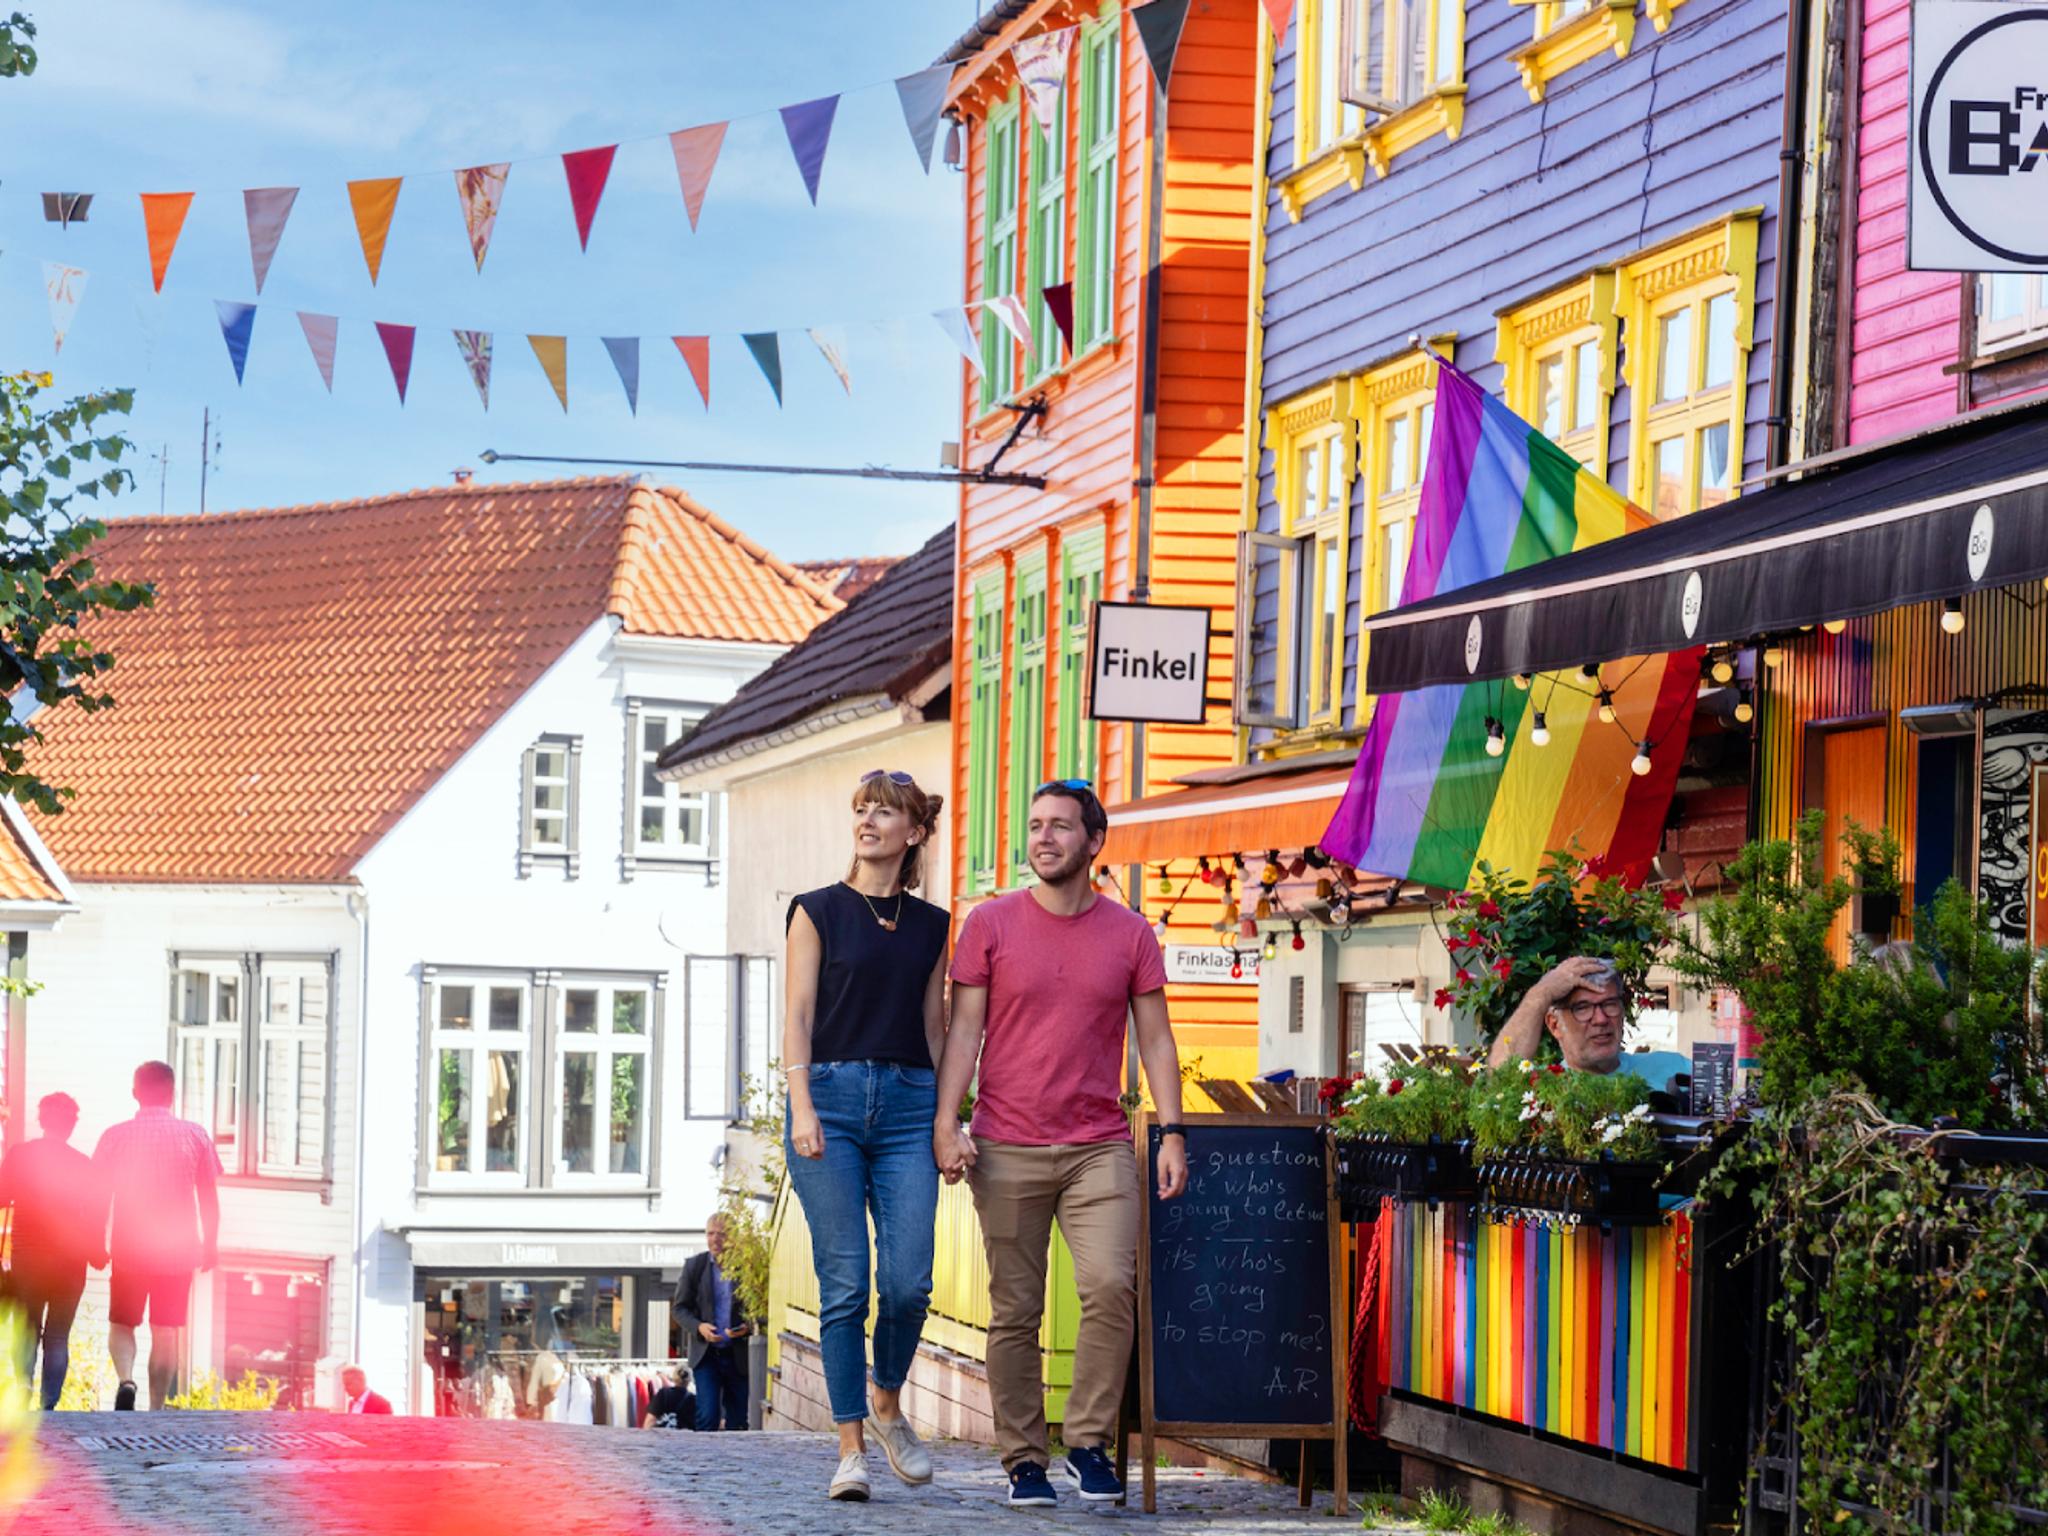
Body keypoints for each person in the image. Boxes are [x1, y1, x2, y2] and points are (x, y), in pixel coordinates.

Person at [934, 779, 1189, 1509]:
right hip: (1005, 1145)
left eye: (1060, 827)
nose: (1043, 838)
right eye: (1035, 825)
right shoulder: (990, 924)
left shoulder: (1131, 934)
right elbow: (964, 1034)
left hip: (1098, 1146)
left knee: (1112, 1286)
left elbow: (1157, 1039)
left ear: (1094, 842)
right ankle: (1022, 1459)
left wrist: (1172, 1131)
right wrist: (947, 1122)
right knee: (1016, 1309)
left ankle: (1087, 1441)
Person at [783, 767, 951, 1502]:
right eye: (862, 809)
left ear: (913, 832)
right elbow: (796, 1016)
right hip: (831, 1100)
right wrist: (801, 1105)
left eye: (885, 812)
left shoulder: (936, 926)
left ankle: (888, 1399)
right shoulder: (815, 911)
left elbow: (938, 1027)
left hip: (912, 1104)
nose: (869, 820)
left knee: (910, 1281)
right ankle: (850, 1446)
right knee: (845, 1282)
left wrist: (951, 1118)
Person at [92, 1060, 222, 1410]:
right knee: (166, 1329)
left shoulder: (114, 1136)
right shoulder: (195, 1135)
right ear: (172, 1093)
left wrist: (95, 1241)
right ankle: (156, 1407)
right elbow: (208, 1197)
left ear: (135, 1093)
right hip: (178, 1252)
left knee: (122, 1322)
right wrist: (209, 1244)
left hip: (129, 1248)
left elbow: (97, 1196)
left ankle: (126, 1380)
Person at [0, 1092, 104, 1409]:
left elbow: (2, 1198)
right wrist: (97, 1251)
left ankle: (22, 1391)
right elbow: (96, 1215)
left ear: (41, 1120)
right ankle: (48, 1407)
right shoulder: (84, 1165)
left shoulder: (21, 1155)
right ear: (72, 1125)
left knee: (29, 1328)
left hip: (28, 1260)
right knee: (58, 1337)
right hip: (71, 1264)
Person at [1486, 957, 1692, 1090]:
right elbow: (1500, 1079)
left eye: (1610, 1004)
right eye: (1582, 1008)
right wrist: (1541, 994)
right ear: (1554, 1025)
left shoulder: (1674, 1067)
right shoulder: (1546, 1088)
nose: (1601, 1019)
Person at [674, 1214, 750, 1432]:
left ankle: (735, 1464)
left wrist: (747, 1327)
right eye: (710, 1233)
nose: (715, 1239)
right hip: (706, 1354)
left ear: (733, 1238)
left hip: (738, 1354)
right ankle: (704, 1464)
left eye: (722, 1234)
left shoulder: (746, 1269)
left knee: (737, 1420)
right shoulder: (694, 1266)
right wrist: (699, 1327)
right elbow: (679, 1308)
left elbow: (762, 1311)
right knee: (708, 1416)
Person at [641, 1364, 696, 1429]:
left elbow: (650, 1421)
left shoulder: (663, 1394)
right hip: (683, 1438)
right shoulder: (693, 1399)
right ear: (689, 1380)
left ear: (674, 1378)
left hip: (662, 1437)